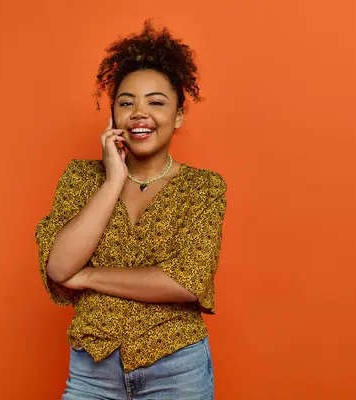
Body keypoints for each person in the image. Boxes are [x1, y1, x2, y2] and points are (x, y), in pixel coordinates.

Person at [35, 21, 227, 400]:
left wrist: (88, 276)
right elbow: (58, 267)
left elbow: (185, 282)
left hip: (177, 370)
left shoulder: (204, 187)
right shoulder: (80, 177)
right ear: (112, 116)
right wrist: (112, 181)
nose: (140, 113)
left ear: (179, 115)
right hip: (92, 371)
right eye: (126, 103)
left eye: (156, 102)